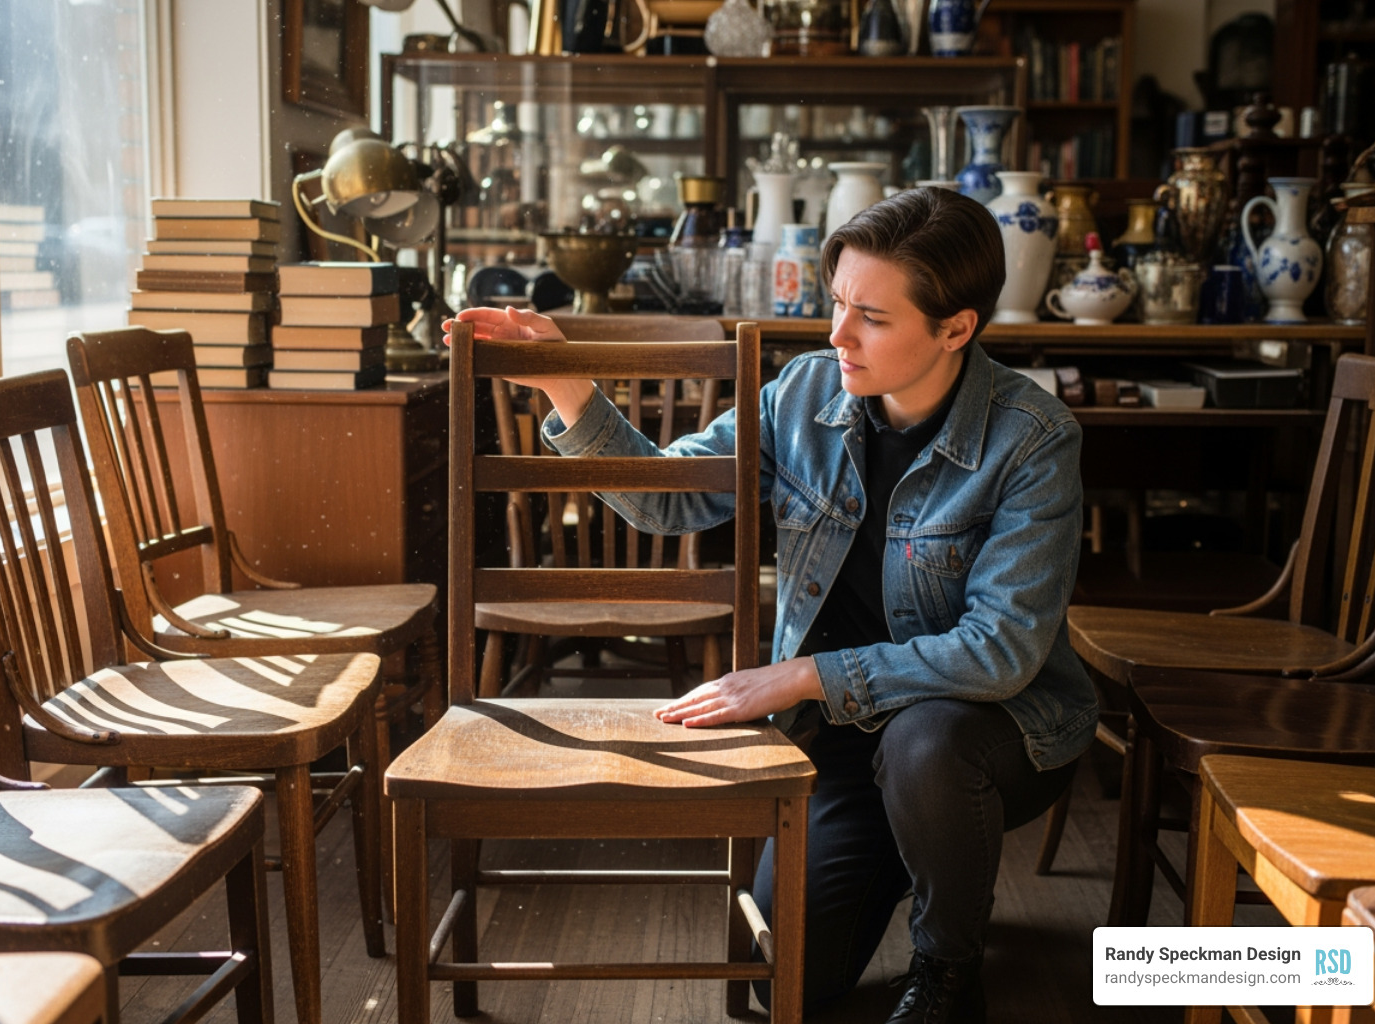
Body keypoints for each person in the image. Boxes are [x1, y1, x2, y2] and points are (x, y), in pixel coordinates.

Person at [444, 187, 1097, 1024]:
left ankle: (946, 968)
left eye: (872, 316)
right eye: (837, 304)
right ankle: (915, 847)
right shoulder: (803, 396)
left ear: (956, 328)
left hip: (988, 737)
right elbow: (669, 502)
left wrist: (798, 677)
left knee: (927, 743)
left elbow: (999, 652)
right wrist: (567, 381)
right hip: (842, 742)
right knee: (781, 982)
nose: (837, 334)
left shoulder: (1033, 439)